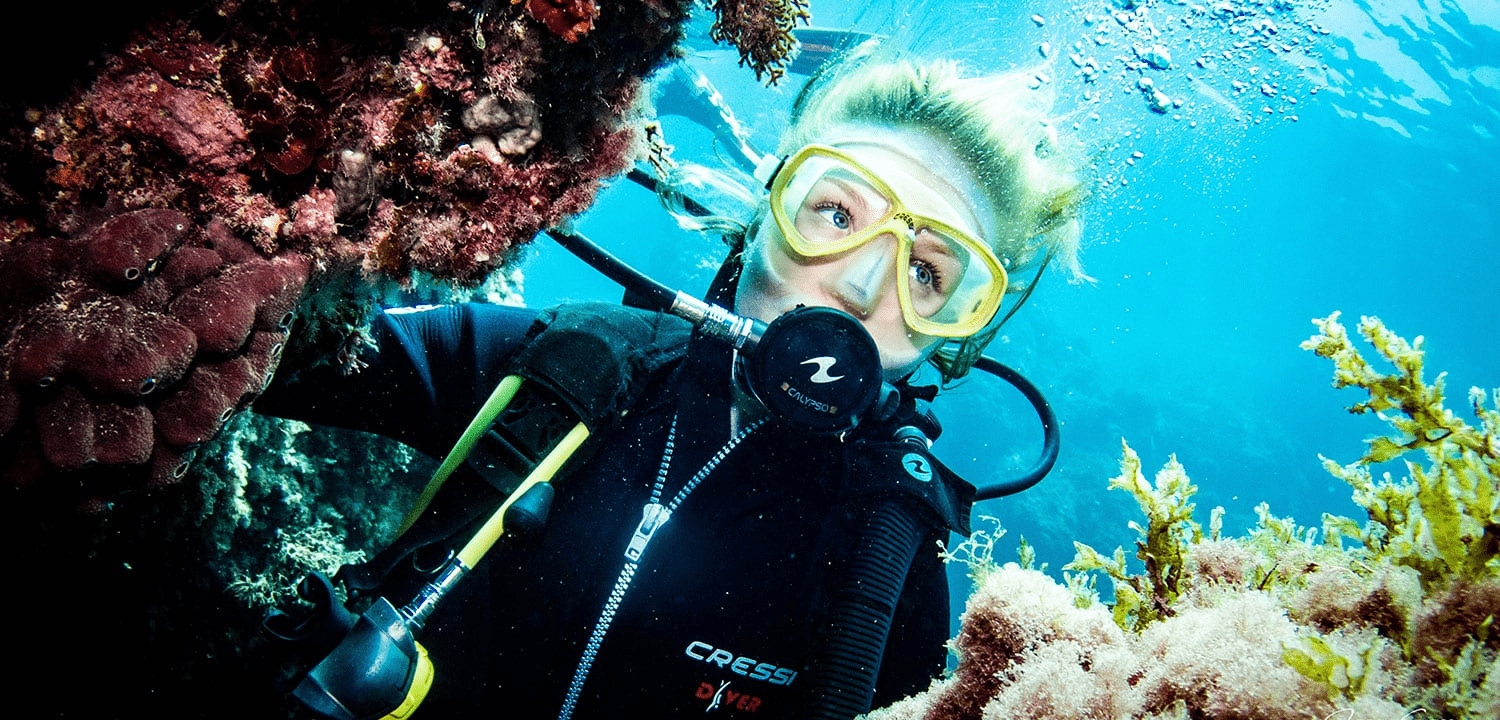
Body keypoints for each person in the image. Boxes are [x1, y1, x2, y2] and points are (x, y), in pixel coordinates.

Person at [257, 48, 1084, 720]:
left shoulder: (892, 551)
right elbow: (262, 351)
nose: (862, 288)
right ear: (764, 208)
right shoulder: (570, 363)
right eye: (835, 213)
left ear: (959, 333)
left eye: (931, 273)